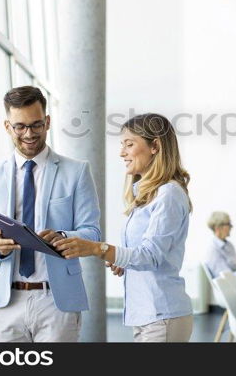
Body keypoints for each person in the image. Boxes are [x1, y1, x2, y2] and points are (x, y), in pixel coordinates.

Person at [0, 86, 101, 342]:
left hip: (56, 300)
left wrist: (62, 236)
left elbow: (92, 232)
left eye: (36, 125)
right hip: (6, 302)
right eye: (20, 127)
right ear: (8, 127)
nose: (29, 134)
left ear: (48, 122)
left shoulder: (76, 172)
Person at [56, 113, 194, 342]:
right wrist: (122, 260)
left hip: (162, 316)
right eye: (122, 145)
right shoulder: (147, 196)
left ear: (155, 146)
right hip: (147, 316)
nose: (122, 153)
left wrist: (96, 248)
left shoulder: (168, 194)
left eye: (129, 144)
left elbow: (150, 256)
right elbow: (145, 254)